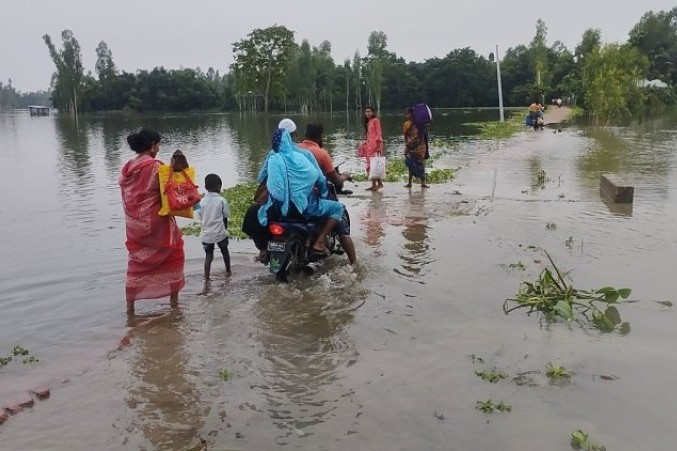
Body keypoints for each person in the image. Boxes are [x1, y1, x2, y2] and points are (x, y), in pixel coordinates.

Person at [119, 128, 185, 314]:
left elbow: (130, 196)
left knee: (137, 263)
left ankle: (130, 309)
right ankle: (174, 304)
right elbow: (170, 192)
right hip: (157, 225)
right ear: (153, 145)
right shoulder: (156, 166)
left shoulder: (127, 168)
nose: (159, 147)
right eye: (158, 144)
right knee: (174, 254)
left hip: (134, 226)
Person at [258, 128, 345, 255]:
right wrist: (323, 193)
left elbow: (260, 178)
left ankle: (264, 250)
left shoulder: (272, 158)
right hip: (300, 207)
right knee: (338, 208)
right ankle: (320, 241)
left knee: (257, 213)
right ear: (290, 139)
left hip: (275, 208)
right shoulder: (301, 157)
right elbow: (318, 177)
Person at [298, 121, 357, 264]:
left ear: (305, 134)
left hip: (295, 199)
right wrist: (345, 175)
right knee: (340, 221)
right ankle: (354, 264)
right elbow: (336, 180)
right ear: (320, 136)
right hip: (312, 200)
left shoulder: (295, 150)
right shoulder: (321, 153)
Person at [197, 173, 231, 279]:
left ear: (206, 187)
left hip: (207, 234)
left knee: (209, 256)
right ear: (219, 186)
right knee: (224, 251)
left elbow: (199, 217)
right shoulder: (221, 200)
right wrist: (225, 230)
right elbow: (225, 216)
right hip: (220, 232)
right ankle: (228, 271)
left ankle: (206, 278)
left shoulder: (201, 202)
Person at [359, 106, 384, 191]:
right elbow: (369, 134)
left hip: (375, 145)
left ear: (373, 112)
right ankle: (374, 184)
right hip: (369, 146)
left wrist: (378, 146)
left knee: (374, 165)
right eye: (366, 112)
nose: (368, 113)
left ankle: (379, 184)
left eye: (369, 111)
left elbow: (379, 133)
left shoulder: (376, 120)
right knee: (370, 166)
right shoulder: (368, 122)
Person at [403, 107, 429, 189]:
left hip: (420, 147)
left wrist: (427, 150)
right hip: (411, 146)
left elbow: (425, 136)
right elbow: (406, 136)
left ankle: (423, 183)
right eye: (406, 114)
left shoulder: (420, 124)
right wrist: (407, 146)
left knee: (421, 164)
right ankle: (409, 182)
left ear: (413, 114)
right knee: (411, 164)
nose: (407, 115)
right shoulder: (406, 124)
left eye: (408, 114)